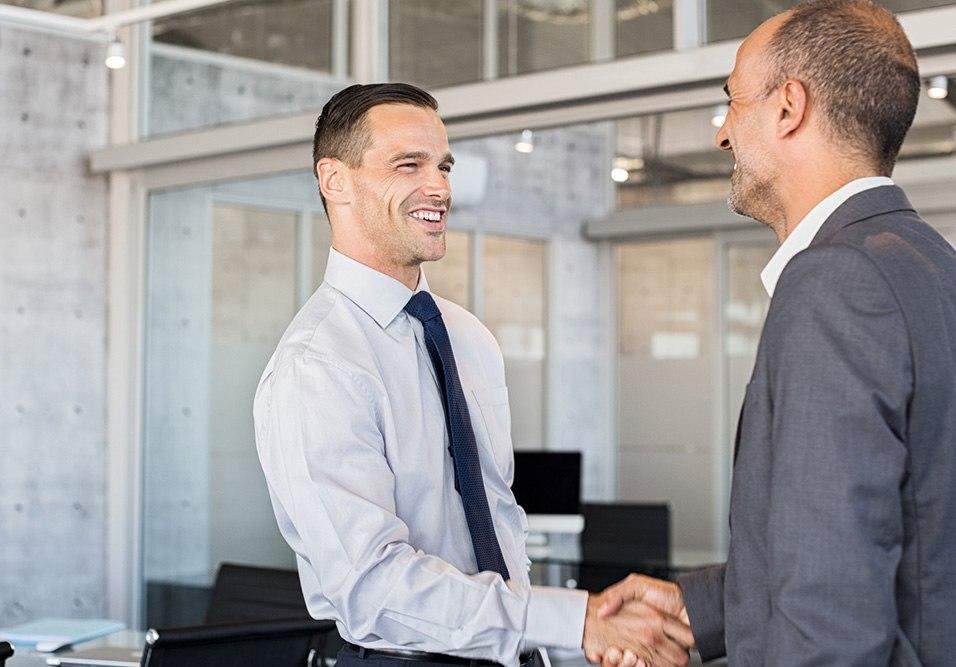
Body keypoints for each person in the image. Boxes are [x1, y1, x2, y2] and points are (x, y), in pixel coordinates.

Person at [253, 83, 694, 667]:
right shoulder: (316, 366)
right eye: (408, 164)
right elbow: (371, 589)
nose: (438, 186)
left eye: (443, 166)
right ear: (335, 180)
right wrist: (571, 619)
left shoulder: (468, 339)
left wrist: (572, 640)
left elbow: (501, 526)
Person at [596, 0, 956, 664]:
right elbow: (902, 541)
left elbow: (833, 617)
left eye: (732, 103)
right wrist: (702, 606)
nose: (722, 134)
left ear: (789, 107)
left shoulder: (835, 282)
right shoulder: (930, 264)